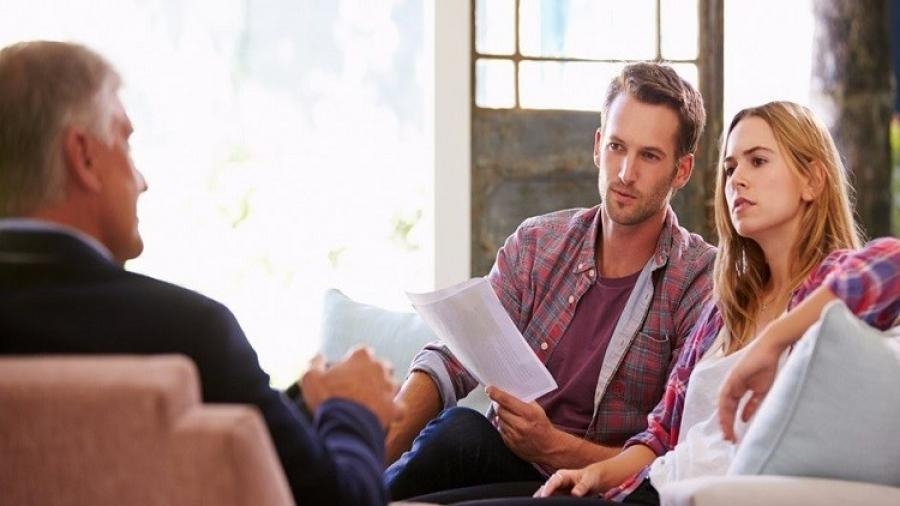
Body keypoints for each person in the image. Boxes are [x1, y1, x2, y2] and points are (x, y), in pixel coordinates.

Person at [0, 40, 398, 506]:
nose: (142, 181)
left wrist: (302, 406)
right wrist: (352, 409)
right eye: (125, 142)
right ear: (84, 156)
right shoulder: (186, 334)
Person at [523, 101, 900, 505]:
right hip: (648, 486)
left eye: (758, 161)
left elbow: (893, 262)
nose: (737, 180)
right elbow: (660, 437)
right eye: (730, 168)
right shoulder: (725, 307)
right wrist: (594, 475)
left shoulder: (829, 285)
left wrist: (775, 340)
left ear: (812, 180)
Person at [385, 62, 716, 500]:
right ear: (598, 146)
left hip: (603, 490)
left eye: (649, 156)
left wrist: (553, 446)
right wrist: (373, 447)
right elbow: (453, 359)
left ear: (682, 170)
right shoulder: (538, 244)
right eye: (617, 147)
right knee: (457, 433)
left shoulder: (699, 281)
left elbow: (678, 452)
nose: (625, 173)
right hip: (506, 464)